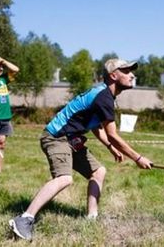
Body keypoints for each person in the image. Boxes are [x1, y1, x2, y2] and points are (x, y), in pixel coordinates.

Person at [9, 58, 153, 241]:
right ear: (113, 75)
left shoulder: (105, 95)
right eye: (126, 71)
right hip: (56, 137)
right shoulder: (104, 97)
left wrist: (109, 147)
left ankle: (91, 218)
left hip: (71, 139)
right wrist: (138, 158)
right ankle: (25, 218)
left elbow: (96, 126)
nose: (132, 75)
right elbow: (113, 135)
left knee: (98, 171)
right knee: (64, 178)